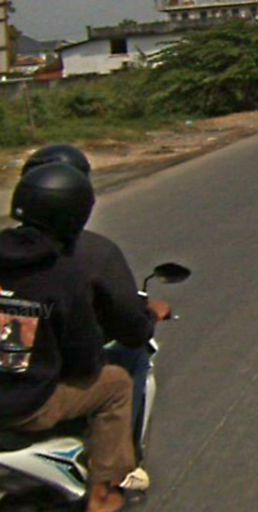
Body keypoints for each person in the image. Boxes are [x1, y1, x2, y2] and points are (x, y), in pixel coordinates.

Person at [0, 162, 134, 512]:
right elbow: (83, 360)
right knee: (117, 383)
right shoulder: (62, 274)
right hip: (24, 408)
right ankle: (104, 493)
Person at [21, 145, 171, 446]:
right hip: (34, 393)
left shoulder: (11, 250)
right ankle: (114, 471)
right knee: (120, 379)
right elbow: (130, 329)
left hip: (15, 378)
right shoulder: (91, 254)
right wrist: (150, 315)